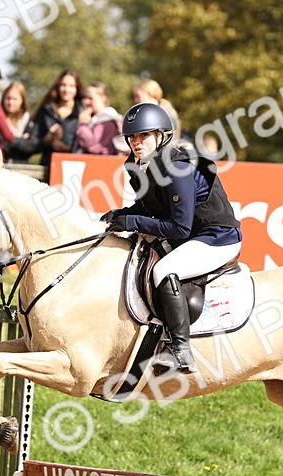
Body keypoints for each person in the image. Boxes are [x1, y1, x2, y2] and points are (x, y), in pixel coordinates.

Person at [100, 104, 242, 375]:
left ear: (162, 136)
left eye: (144, 135)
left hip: (217, 237)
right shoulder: (139, 164)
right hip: (191, 236)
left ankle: (180, 351)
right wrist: (121, 214)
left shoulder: (178, 168)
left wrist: (132, 222)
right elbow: (149, 207)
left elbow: (179, 227)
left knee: (163, 269)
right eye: (132, 137)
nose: (136, 142)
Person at [17, 69, 82, 179]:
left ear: (77, 88)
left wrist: (68, 149)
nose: (66, 89)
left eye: (71, 86)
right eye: (63, 85)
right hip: (47, 168)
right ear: (58, 86)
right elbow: (33, 145)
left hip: (73, 171)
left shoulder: (83, 113)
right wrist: (46, 139)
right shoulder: (46, 111)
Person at [74, 82, 127, 156]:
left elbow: (91, 146)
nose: (85, 101)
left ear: (103, 99)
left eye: (90, 98)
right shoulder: (94, 119)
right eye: (85, 97)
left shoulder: (108, 120)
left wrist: (83, 124)